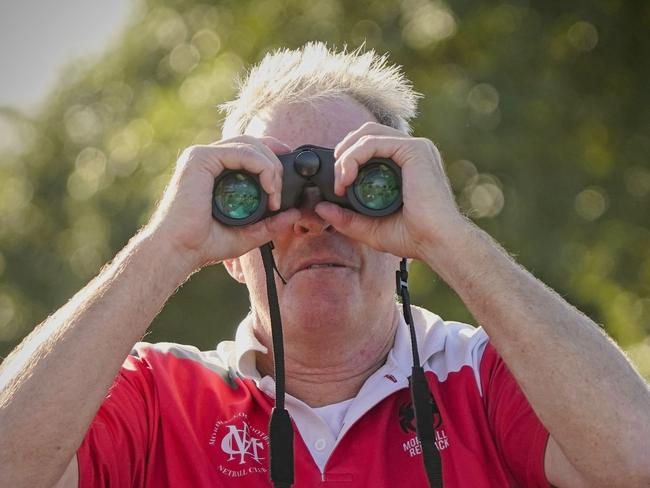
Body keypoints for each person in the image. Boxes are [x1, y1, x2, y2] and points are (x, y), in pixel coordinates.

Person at [1, 42, 649, 488]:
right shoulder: (155, 396)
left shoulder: (485, 378)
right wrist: (166, 245)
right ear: (232, 253)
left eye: (358, 180)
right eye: (265, 189)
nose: (313, 218)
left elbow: (636, 462)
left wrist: (450, 236)